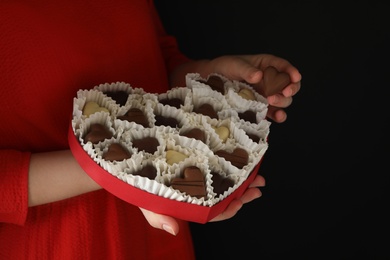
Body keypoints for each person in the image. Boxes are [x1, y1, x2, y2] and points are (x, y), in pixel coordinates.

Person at [0, 0, 301, 259]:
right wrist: (124, 170)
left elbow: (150, 58)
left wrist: (210, 83)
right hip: (64, 243)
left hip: (155, 240)